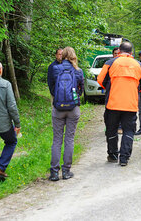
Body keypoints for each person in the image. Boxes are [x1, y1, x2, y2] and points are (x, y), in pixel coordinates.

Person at [97, 42, 141, 166]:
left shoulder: (110, 63)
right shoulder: (139, 65)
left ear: (119, 51)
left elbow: (100, 80)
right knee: (129, 130)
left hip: (113, 103)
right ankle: (124, 158)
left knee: (111, 129)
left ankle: (113, 155)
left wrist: (110, 87)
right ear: (131, 53)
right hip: (130, 104)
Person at [48, 47, 84, 181]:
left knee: (57, 140)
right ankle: (66, 171)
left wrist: (58, 99)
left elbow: (51, 87)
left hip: (58, 108)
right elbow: (81, 90)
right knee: (69, 139)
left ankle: (54, 172)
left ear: (62, 55)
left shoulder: (55, 69)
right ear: (73, 55)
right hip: (73, 109)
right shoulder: (78, 71)